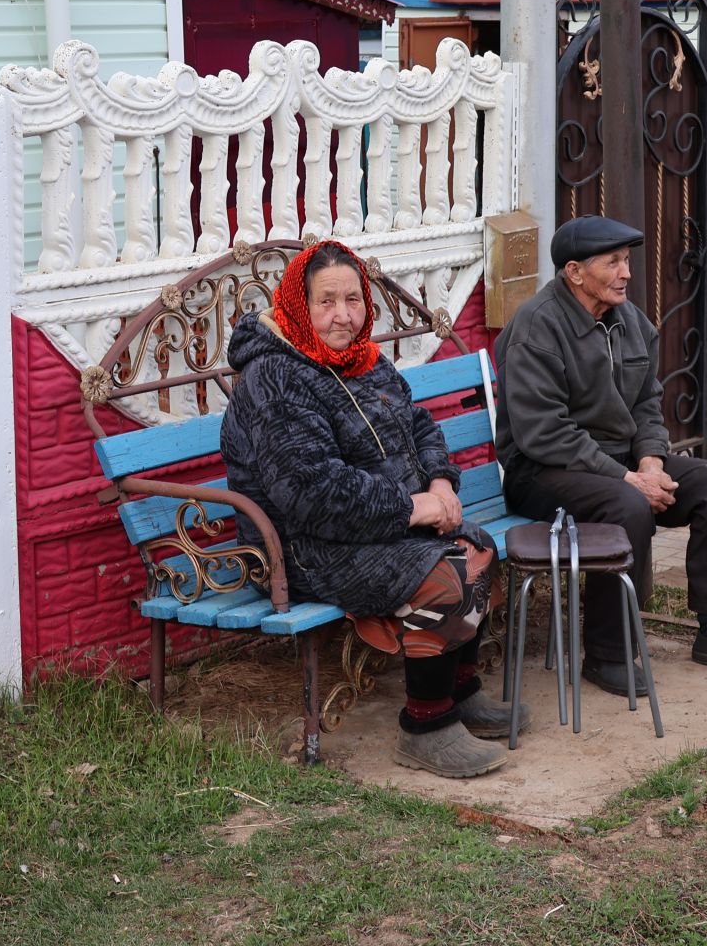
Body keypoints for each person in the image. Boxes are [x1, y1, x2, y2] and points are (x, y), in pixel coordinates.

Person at [220, 239, 527, 778]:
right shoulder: (276, 376)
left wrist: (440, 481)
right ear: (298, 306)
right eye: (326, 302)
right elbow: (311, 492)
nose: (343, 316)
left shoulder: (363, 358)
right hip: (307, 546)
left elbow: (419, 424)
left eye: (353, 300)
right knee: (448, 572)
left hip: (380, 523)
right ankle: (425, 727)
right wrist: (416, 509)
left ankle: (462, 691)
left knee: (478, 547)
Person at [494, 214, 707, 694]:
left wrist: (650, 461)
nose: (626, 273)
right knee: (627, 506)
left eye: (627, 261)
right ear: (575, 272)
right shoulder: (536, 326)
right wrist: (628, 481)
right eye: (613, 263)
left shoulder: (628, 321)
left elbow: (647, 402)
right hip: (541, 472)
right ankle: (607, 654)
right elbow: (544, 433)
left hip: (617, 464)